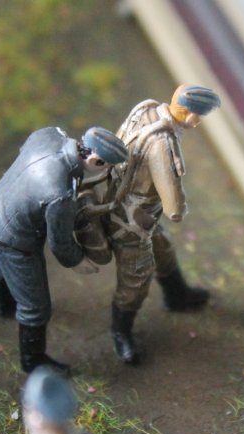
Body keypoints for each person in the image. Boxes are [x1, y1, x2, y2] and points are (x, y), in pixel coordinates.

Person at [77, 85, 221, 363]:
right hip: (132, 223)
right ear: (192, 116)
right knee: (136, 278)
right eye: (199, 117)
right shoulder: (163, 143)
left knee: (163, 249)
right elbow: (173, 206)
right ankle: (121, 332)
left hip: (119, 200)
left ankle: (177, 295)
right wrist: (179, 208)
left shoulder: (145, 108)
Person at [0, 126, 128, 375]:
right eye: (106, 167)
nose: (106, 172)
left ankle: (4, 304)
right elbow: (59, 243)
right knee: (35, 307)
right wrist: (79, 260)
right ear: (95, 160)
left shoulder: (50, 134)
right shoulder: (61, 193)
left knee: (3, 264)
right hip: (15, 238)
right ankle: (33, 361)